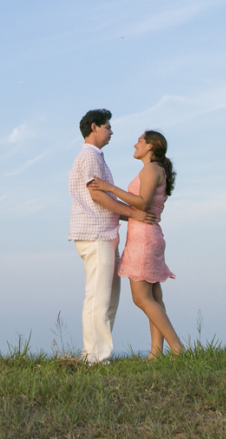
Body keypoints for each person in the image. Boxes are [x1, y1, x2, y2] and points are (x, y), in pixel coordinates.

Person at [67, 110, 156, 363]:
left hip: (103, 234)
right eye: (108, 127)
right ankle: (95, 358)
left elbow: (104, 199)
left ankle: (97, 354)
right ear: (94, 127)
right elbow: (98, 196)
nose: (112, 131)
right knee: (99, 296)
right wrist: (133, 213)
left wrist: (131, 215)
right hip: (95, 235)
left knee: (108, 298)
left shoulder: (95, 157)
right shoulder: (89, 156)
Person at [90, 130, 183, 358]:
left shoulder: (151, 169)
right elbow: (138, 211)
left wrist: (109, 189)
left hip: (144, 239)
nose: (135, 145)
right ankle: (155, 353)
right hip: (147, 234)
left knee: (141, 298)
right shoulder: (153, 169)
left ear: (151, 145)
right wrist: (117, 211)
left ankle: (178, 349)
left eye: (139, 141)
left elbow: (142, 203)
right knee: (154, 297)